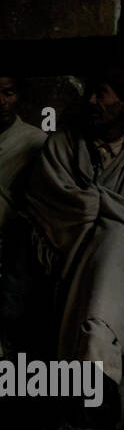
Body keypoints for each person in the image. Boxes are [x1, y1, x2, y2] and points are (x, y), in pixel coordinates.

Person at [24, 69, 124, 415]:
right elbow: (53, 203)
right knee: (113, 235)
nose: (93, 102)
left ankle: (94, 366)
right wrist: (113, 209)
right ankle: (97, 368)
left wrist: (107, 212)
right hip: (75, 248)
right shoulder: (62, 145)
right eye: (92, 95)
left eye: (102, 94)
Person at [0, 75, 48, 347]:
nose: (1, 102)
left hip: (13, 240)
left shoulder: (34, 141)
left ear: (18, 95)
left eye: (8, 93)